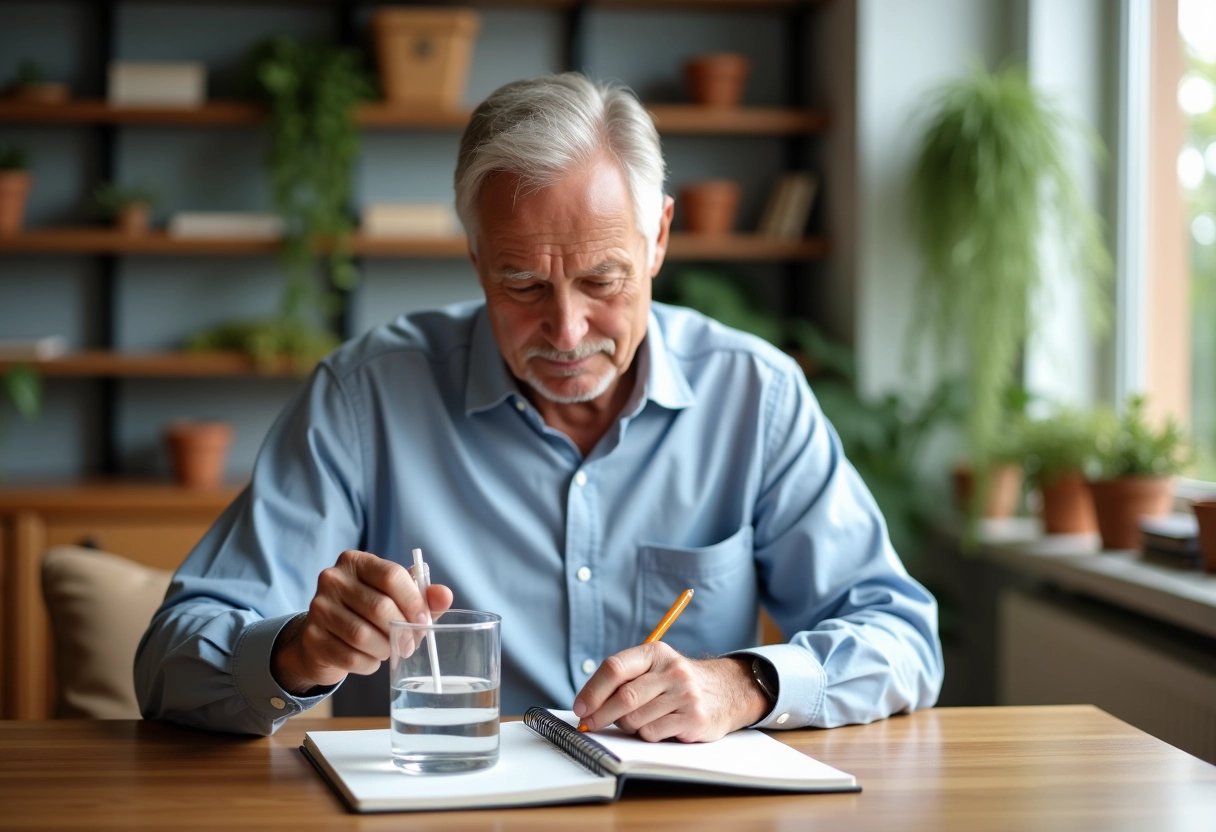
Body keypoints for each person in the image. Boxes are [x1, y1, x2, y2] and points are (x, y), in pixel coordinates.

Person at [135, 73, 943, 739]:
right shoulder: (365, 397)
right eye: (521, 284)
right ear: (477, 255)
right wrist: (298, 654)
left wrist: (749, 682)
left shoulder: (754, 395)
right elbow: (168, 661)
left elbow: (901, 638)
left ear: (659, 237)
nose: (565, 329)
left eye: (603, 280)